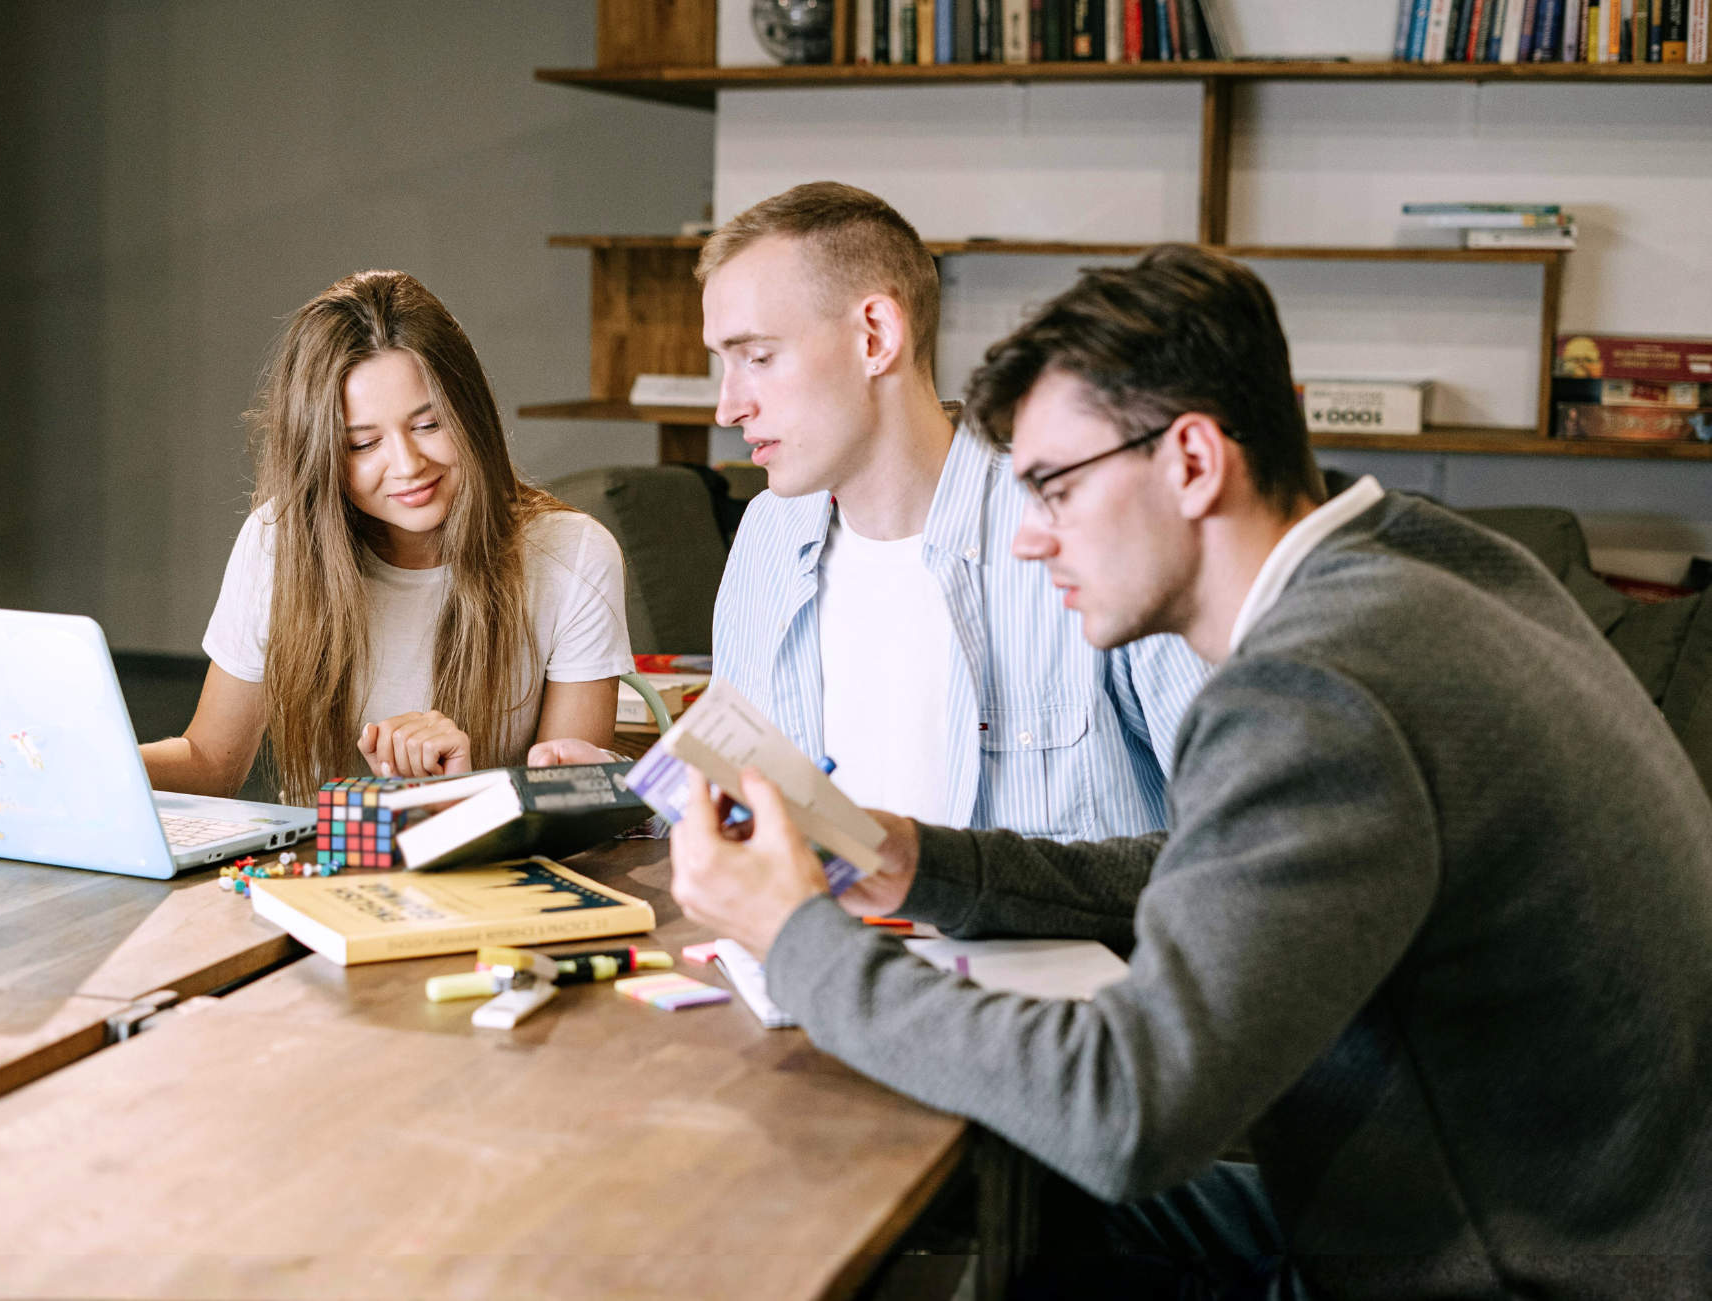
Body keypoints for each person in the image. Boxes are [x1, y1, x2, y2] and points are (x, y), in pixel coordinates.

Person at [667, 245, 1712, 1299]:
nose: (1028, 541)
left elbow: (1127, 1110)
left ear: (1193, 462)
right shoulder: (1424, 560)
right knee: (1000, 1198)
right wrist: (923, 861)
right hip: (1523, 1207)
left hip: (1515, 1264)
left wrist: (800, 941)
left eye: (1054, 489)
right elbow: (1218, 867)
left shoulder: (1318, 688)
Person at [660, 182, 1211, 836]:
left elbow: (1238, 835)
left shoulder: (1089, 526)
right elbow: (745, 811)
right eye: (722, 364)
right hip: (814, 936)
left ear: (874, 336)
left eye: (757, 357)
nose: (728, 408)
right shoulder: (766, 536)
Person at [141, 270, 631, 804]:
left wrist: (457, 795)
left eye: (428, 425)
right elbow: (212, 764)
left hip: (492, 879)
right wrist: (72, 761)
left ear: (471, 412)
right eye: (363, 444)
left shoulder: (574, 554)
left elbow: (568, 803)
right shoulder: (278, 541)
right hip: (317, 875)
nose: (407, 465)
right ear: (321, 456)